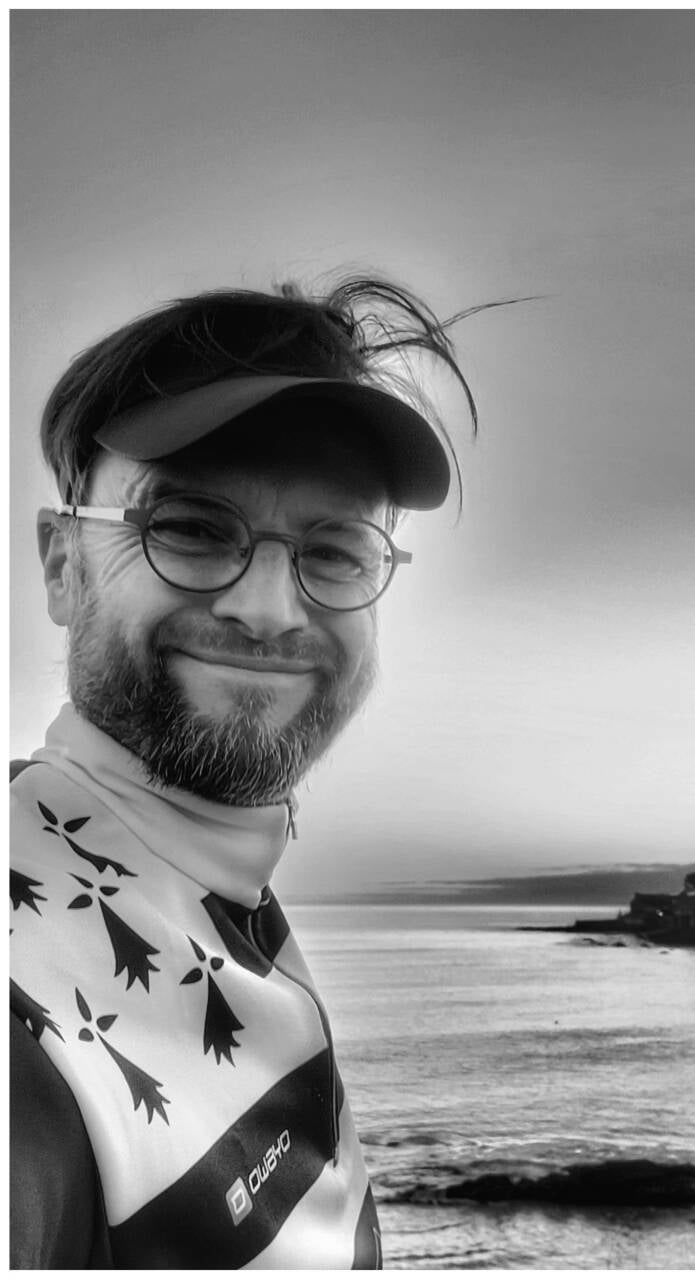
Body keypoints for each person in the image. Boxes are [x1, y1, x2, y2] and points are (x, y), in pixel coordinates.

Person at [10, 278, 476, 1268]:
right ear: (62, 564)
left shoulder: (226, 902)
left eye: (335, 550)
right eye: (188, 527)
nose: (267, 610)